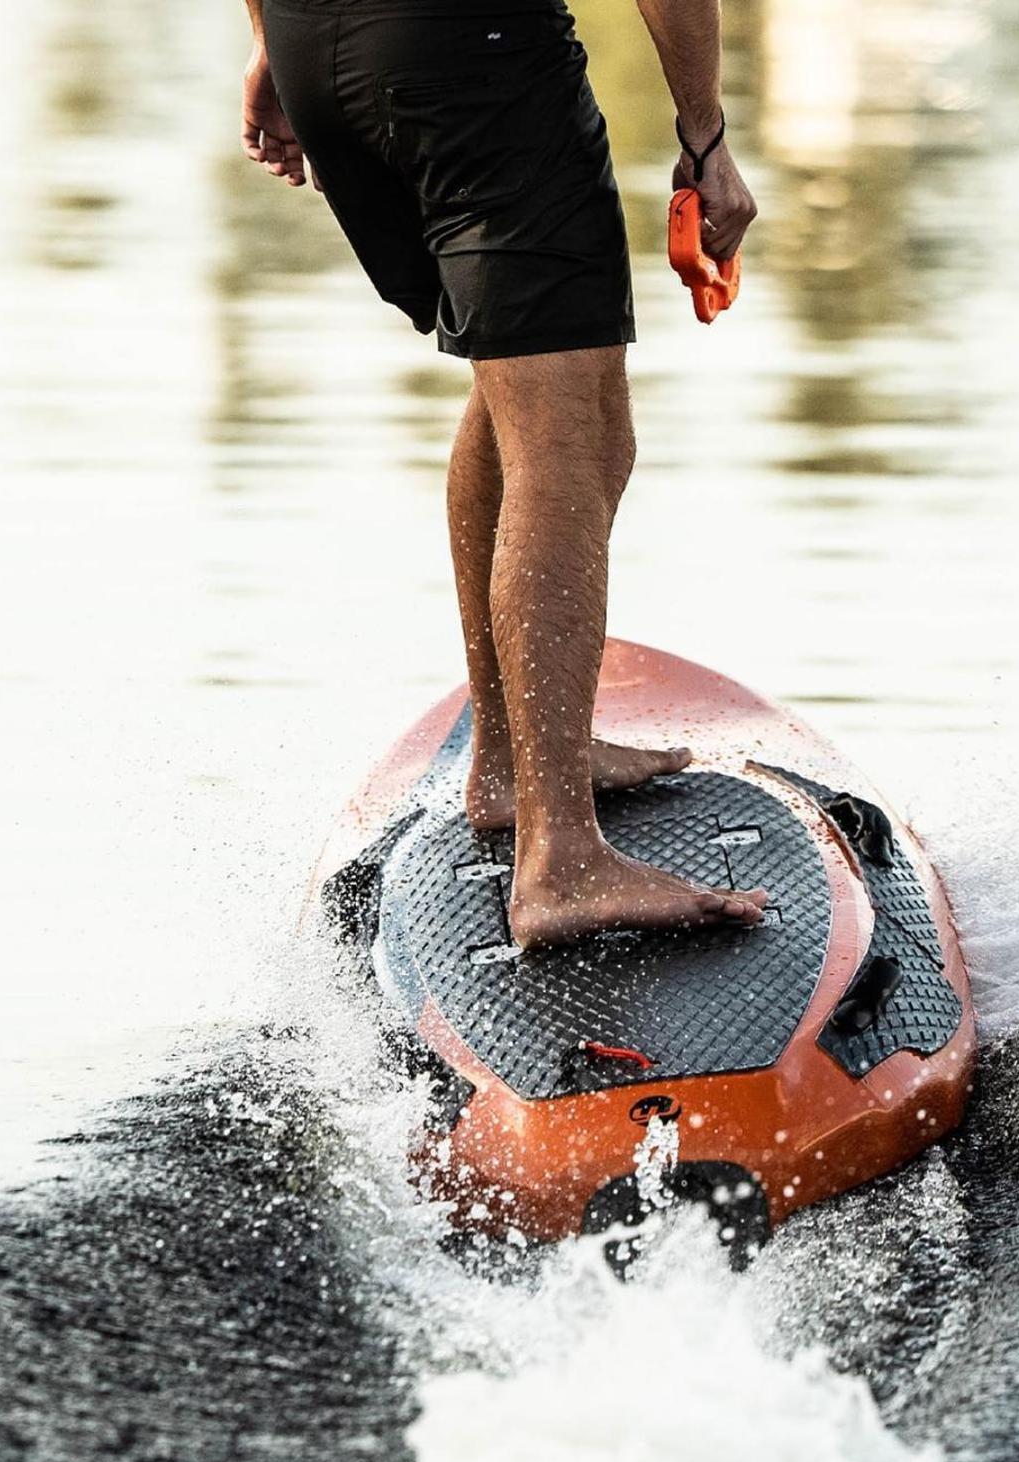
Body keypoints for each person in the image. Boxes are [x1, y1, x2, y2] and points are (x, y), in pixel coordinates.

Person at [240, 0, 766, 947]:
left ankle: (509, 765)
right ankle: (561, 859)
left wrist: (268, 48)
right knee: (573, 446)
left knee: (520, 384)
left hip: (319, 49)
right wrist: (706, 137)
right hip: (473, 58)